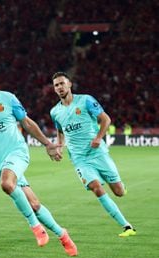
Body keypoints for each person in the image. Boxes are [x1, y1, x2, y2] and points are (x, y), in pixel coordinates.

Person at [0, 63, 77, 256]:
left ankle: (36, 227)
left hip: (18, 152)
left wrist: (47, 143)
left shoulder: (7, 98)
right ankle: (62, 234)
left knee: (6, 183)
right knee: (34, 204)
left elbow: (27, 123)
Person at [50, 71, 136, 237]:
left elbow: (106, 119)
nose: (60, 87)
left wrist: (98, 138)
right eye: (56, 85)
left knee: (118, 192)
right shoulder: (55, 112)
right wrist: (59, 146)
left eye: (62, 83)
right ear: (54, 89)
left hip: (98, 152)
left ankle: (121, 188)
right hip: (79, 158)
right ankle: (126, 226)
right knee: (95, 187)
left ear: (69, 84)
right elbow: (60, 130)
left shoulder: (86, 100)